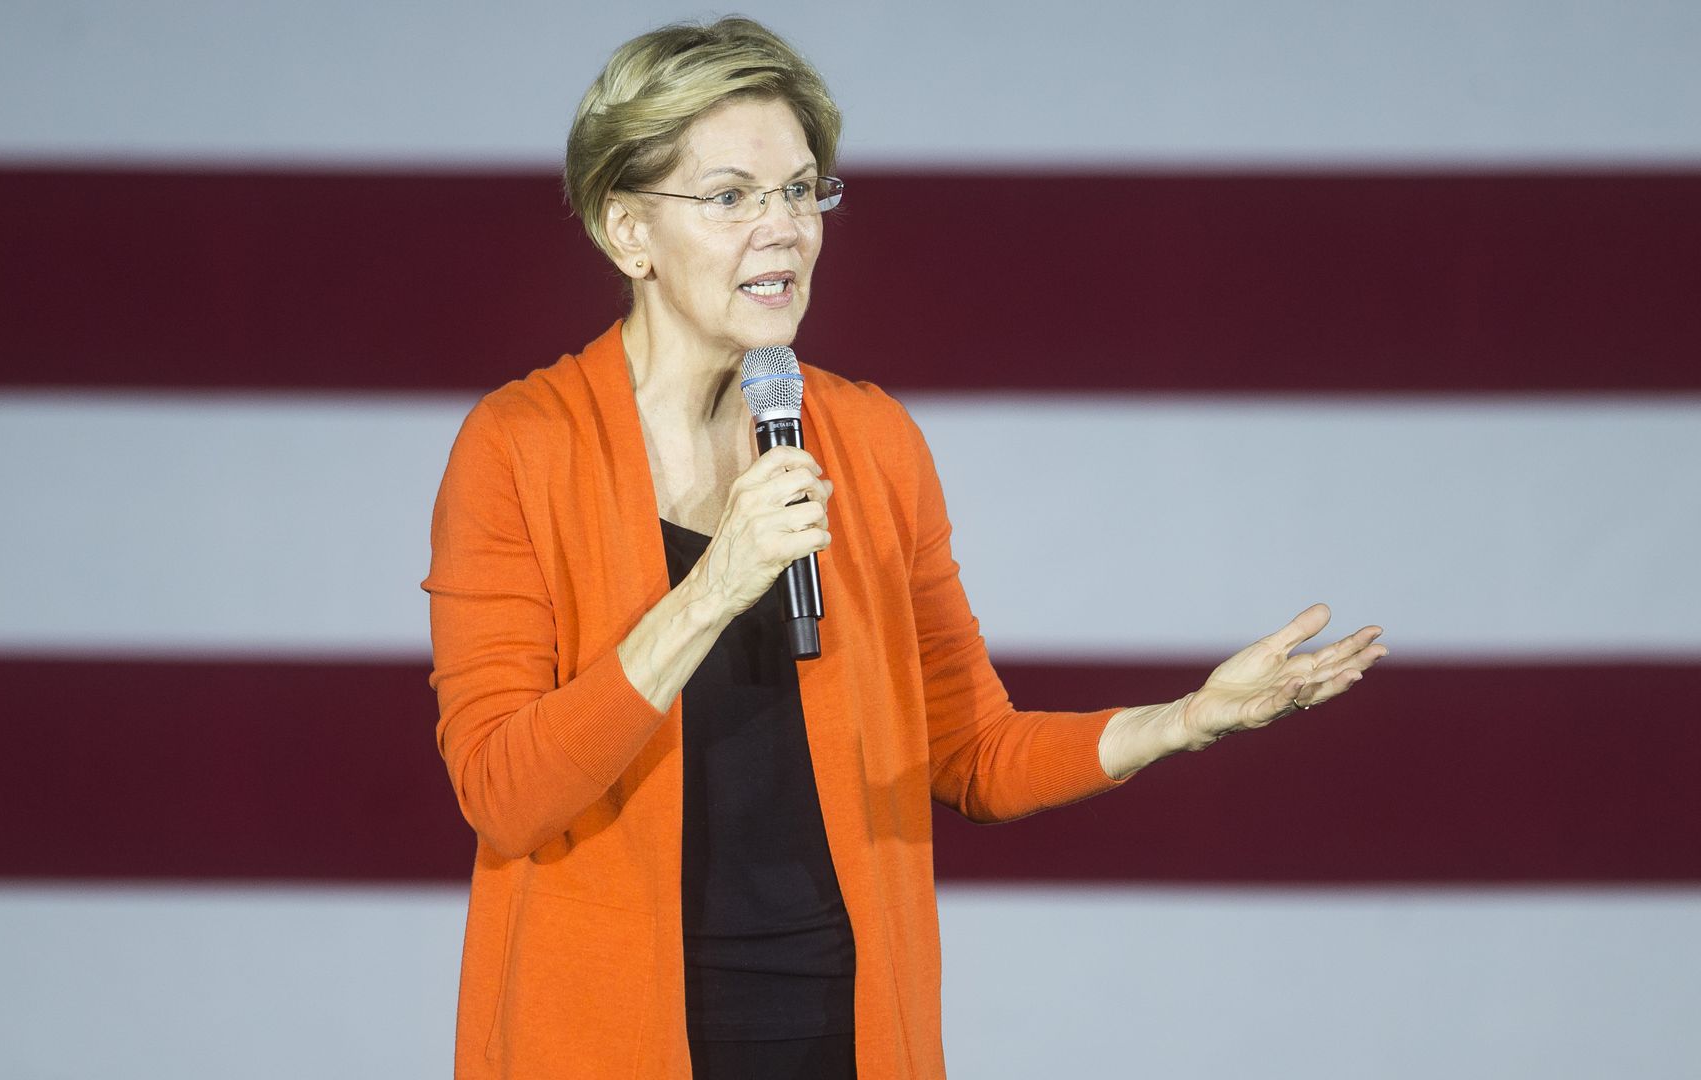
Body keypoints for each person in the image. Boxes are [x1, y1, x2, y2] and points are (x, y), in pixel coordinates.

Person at [421, 16, 1386, 1080]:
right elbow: (505, 794)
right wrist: (714, 588)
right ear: (626, 231)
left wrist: (1184, 722)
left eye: (800, 190)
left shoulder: (870, 441)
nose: (782, 229)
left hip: (842, 1026)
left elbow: (974, 752)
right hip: (605, 1034)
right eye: (732, 196)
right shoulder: (519, 447)